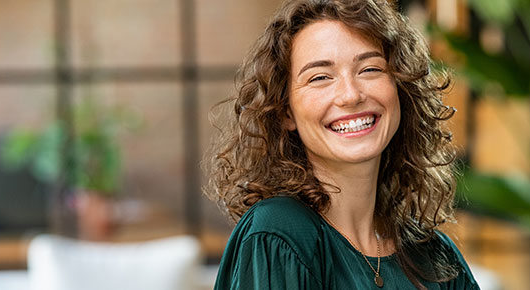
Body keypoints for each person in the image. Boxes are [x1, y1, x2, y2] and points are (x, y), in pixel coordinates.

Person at [203, 0, 479, 289]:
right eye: (320, 77)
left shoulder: (435, 256)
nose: (350, 95)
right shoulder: (278, 235)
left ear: (400, 87)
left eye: (370, 69)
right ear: (286, 111)